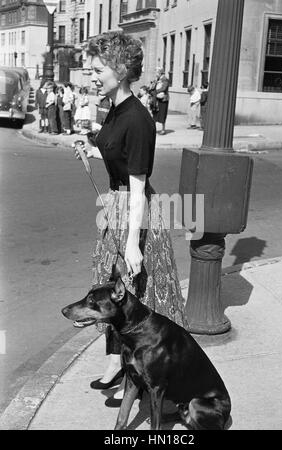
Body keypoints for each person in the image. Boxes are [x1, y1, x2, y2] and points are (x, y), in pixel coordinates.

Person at [74, 31, 187, 408]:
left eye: (98, 69)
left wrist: (131, 242)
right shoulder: (115, 108)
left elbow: (139, 189)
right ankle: (118, 365)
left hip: (133, 213)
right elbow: (112, 148)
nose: (92, 75)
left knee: (136, 299)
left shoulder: (139, 119)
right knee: (112, 292)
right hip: (115, 207)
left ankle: (139, 377)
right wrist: (90, 147)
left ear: (120, 71)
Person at [149, 67, 169, 135]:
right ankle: (153, 129)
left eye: (157, 72)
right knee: (155, 113)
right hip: (156, 99)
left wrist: (155, 91)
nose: (156, 74)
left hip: (163, 99)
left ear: (160, 72)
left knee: (162, 114)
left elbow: (164, 88)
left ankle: (163, 129)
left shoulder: (165, 79)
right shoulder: (157, 79)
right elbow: (152, 87)